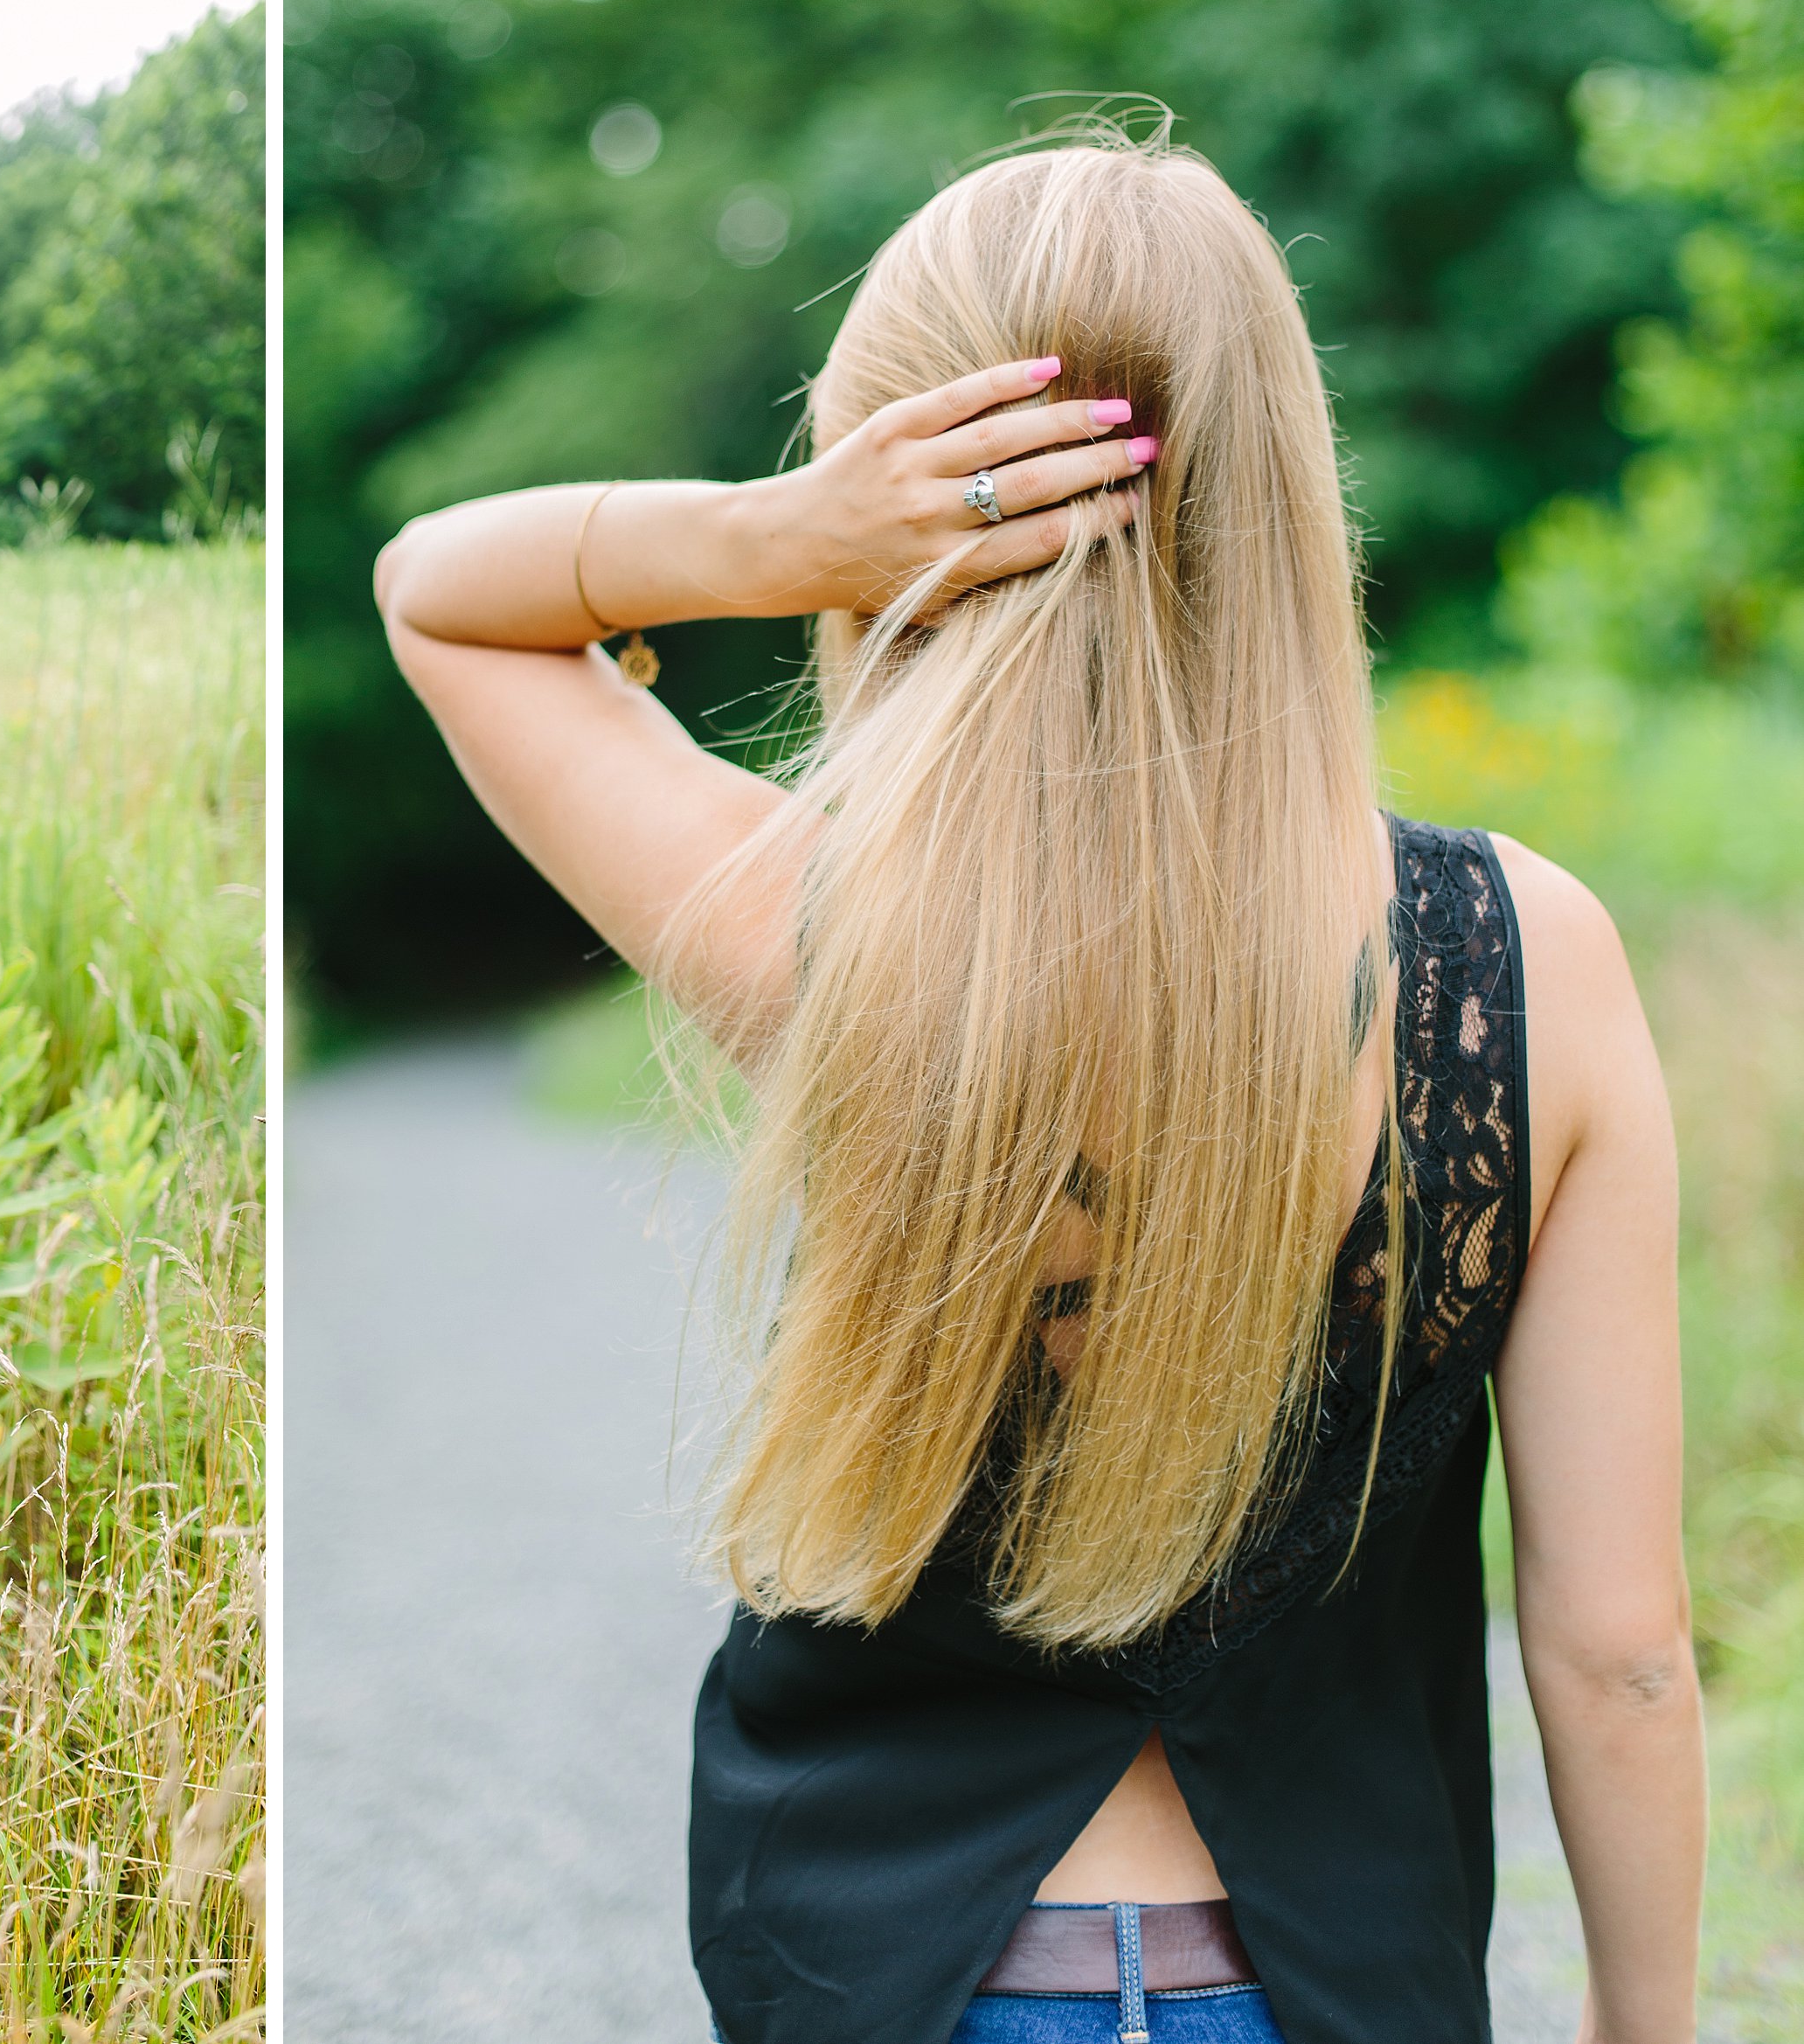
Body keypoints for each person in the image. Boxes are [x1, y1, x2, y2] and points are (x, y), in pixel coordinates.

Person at [372, 137, 1699, 2044]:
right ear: (1277, 493)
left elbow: (436, 590)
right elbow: (1621, 1654)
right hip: (1326, 1985)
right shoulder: (1521, 963)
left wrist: (776, 540)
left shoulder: (814, 934)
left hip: (900, 1974)